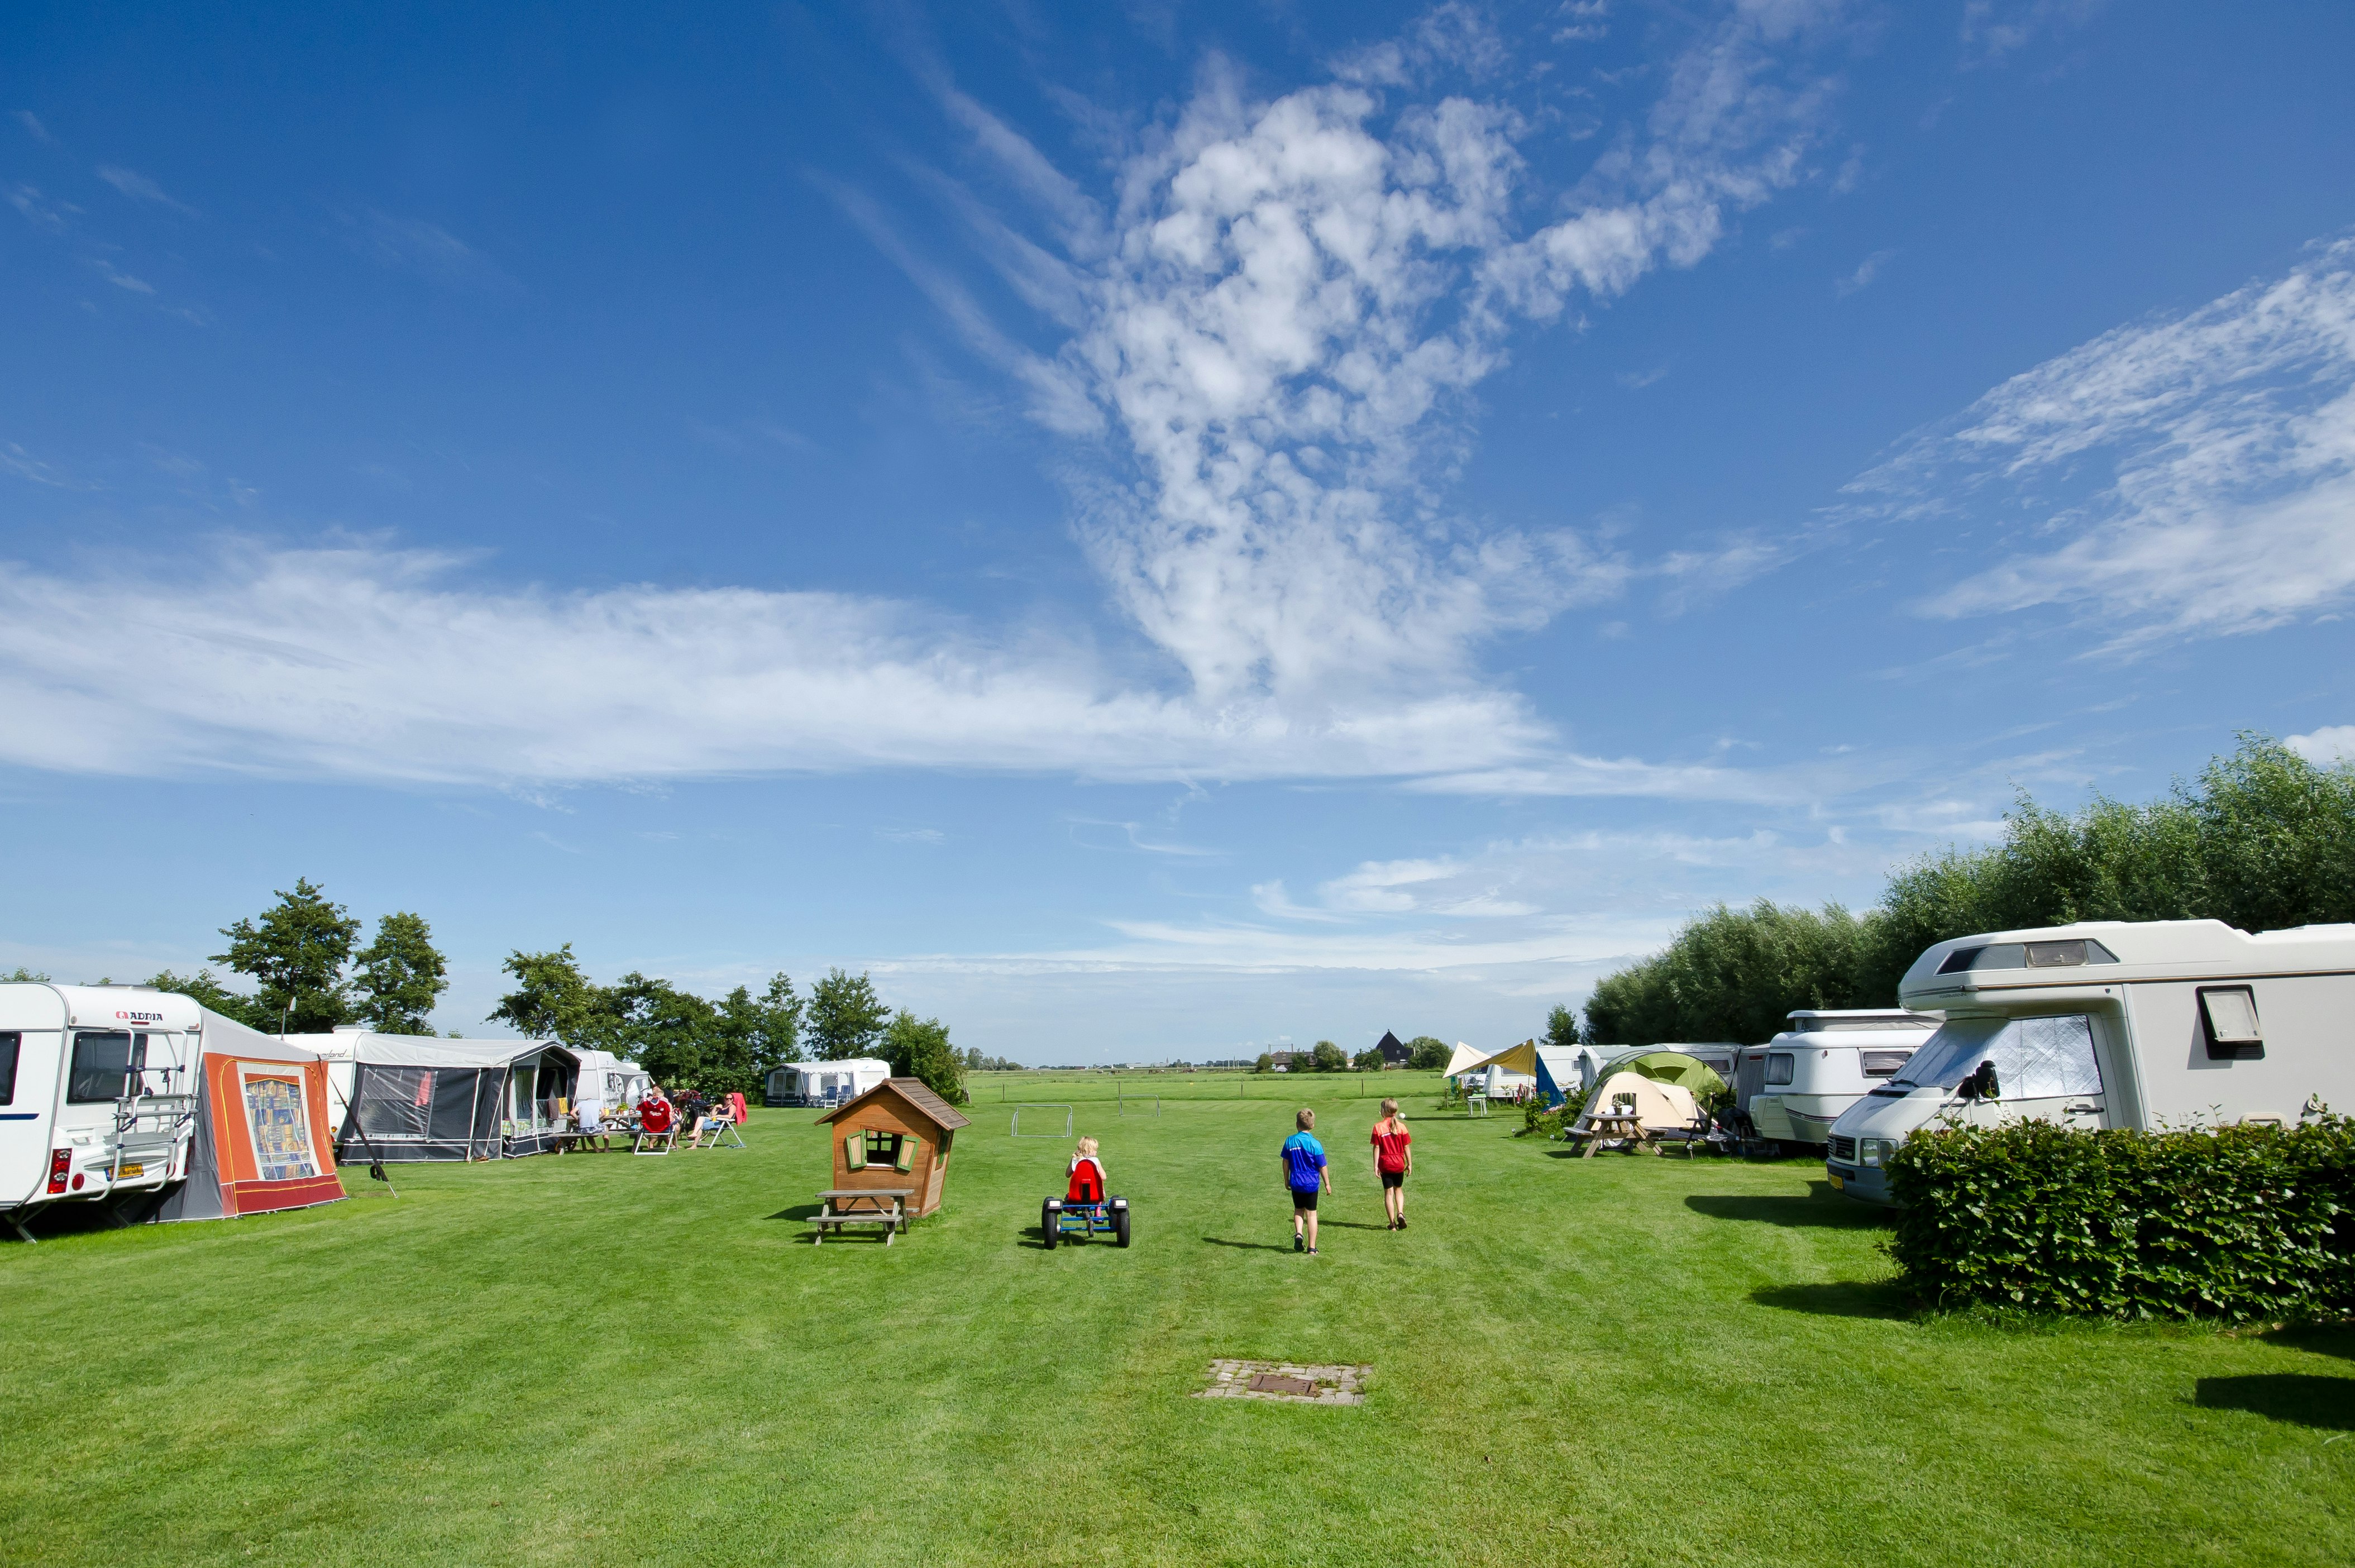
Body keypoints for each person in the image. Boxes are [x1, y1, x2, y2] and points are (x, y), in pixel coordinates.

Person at [1281, 1108, 1331, 1255]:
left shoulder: (1290, 1141)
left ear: (1297, 1125)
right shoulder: (1315, 1144)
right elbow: (1322, 1165)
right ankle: (1312, 1247)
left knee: (1298, 1210)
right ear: (1313, 1126)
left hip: (1296, 1182)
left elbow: (1286, 1161)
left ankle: (1298, 1234)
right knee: (1312, 1215)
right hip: (1311, 1185)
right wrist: (1327, 1184)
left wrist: (1286, 1179)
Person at [1370, 1098, 1412, 1230]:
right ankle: (1400, 1212)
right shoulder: (1402, 1127)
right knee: (1398, 1189)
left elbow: (1377, 1147)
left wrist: (1376, 1166)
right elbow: (1406, 1147)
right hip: (1399, 1163)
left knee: (1389, 1193)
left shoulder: (1378, 1127)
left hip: (1386, 1163)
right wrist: (1410, 1164)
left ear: (1383, 1111)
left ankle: (1392, 1224)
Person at [1067, 1136, 1107, 1202]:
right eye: (1095, 1150)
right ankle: (1098, 1206)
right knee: (1099, 1178)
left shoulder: (1075, 1159)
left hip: (1077, 1193)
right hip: (1095, 1193)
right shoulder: (1096, 1160)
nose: (1096, 1152)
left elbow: (1068, 1174)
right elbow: (1104, 1177)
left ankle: (1071, 1207)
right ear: (1088, 1150)